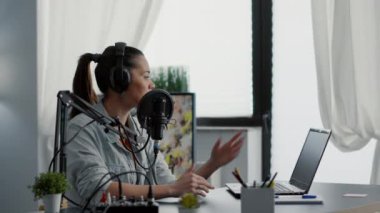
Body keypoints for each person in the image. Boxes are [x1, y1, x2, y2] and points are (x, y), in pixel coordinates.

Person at [65, 42, 244, 207]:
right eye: (145, 77)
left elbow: (168, 184)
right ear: (121, 80)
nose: (152, 84)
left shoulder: (141, 130)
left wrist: (213, 163)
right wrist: (173, 189)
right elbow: (98, 190)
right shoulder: (82, 128)